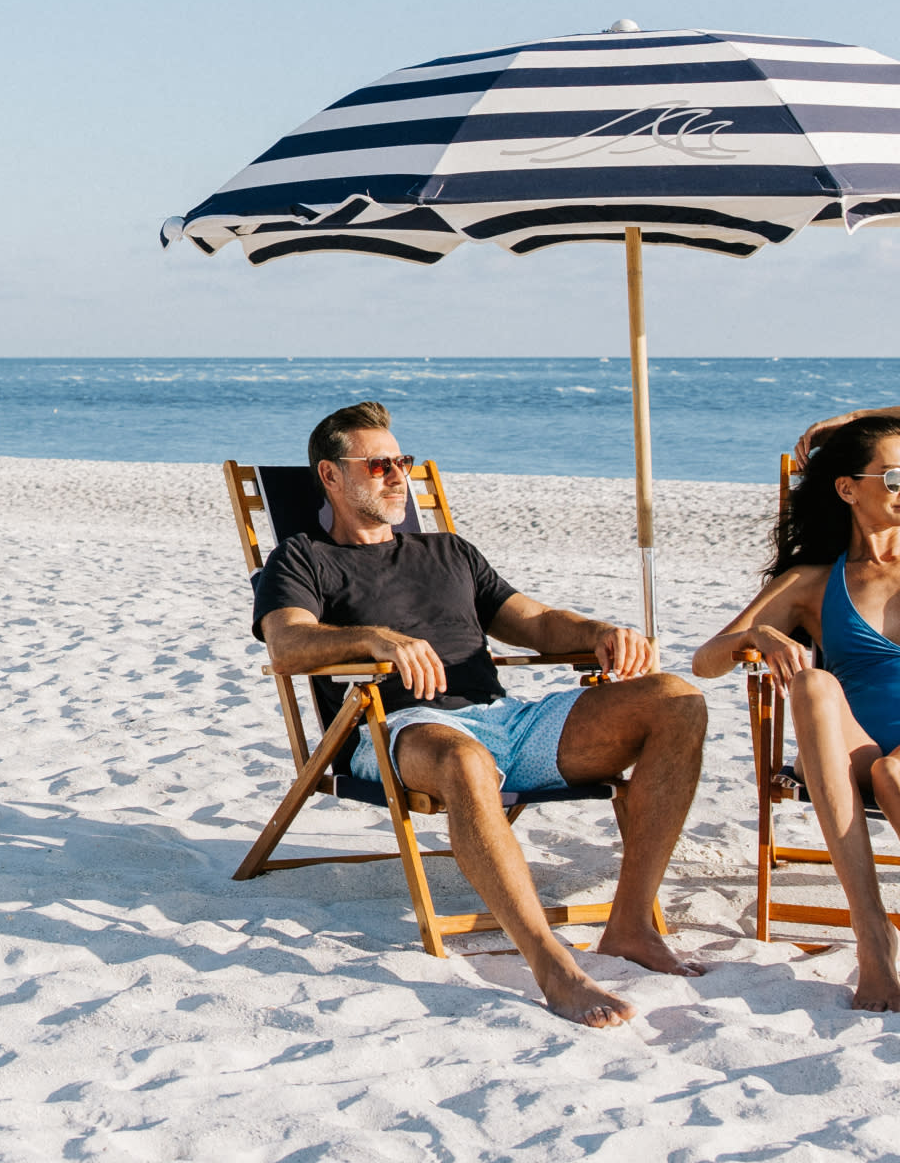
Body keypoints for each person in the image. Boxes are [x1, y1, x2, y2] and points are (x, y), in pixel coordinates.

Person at [254, 401, 709, 1028]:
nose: (396, 474)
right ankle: (551, 964)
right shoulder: (302, 558)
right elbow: (287, 644)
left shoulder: (449, 552)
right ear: (331, 476)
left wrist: (601, 630)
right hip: (396, 729)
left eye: (402, 461)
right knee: (465, 759)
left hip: (507, 721)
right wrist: (377, 641)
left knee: (676, 700)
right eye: (378, 463)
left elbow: (538, 623)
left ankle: (629, 924)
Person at [691, 399, 900, 1039]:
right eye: (894, 477)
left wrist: (857, 420)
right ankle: (874, 937)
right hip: (860, 755)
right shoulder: (813, 583)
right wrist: (758, 634)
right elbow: (707, 660)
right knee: (814, 685)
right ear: (847, 489)